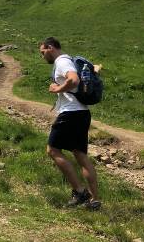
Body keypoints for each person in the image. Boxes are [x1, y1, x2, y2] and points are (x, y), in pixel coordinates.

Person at [39, 37, 101, 210]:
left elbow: (73, 80)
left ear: (50, 47)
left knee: (52, 150)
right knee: (80, 155)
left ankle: (80, 192)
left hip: (71, 113)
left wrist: (57, 89)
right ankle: (95, 201)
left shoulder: (62, 62)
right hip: (82, 113)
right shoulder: (70, 60)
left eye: (42, 52)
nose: (42, 56)